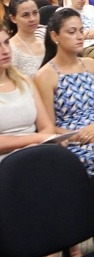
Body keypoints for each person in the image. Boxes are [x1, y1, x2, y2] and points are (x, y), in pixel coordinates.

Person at [34, 7, 94, 178]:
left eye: (81, 31)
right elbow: (47, 127)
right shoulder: (45, 75)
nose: (80, 36)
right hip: (73, 141)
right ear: (55, 36)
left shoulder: (91, 64)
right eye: (72, 32)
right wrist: (82, 135)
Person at [0, 22, 56, 164]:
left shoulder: (24, 81)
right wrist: (34, 140)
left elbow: (47, 127)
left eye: (6, 42)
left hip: (35, 151)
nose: (5, 50)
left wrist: (33, 147)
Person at [5, 0, 45, 78]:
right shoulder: (11, 49)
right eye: (25, 15)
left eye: (35, 13)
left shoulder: (45, 41)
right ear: (13, 18)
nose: (32, 19)